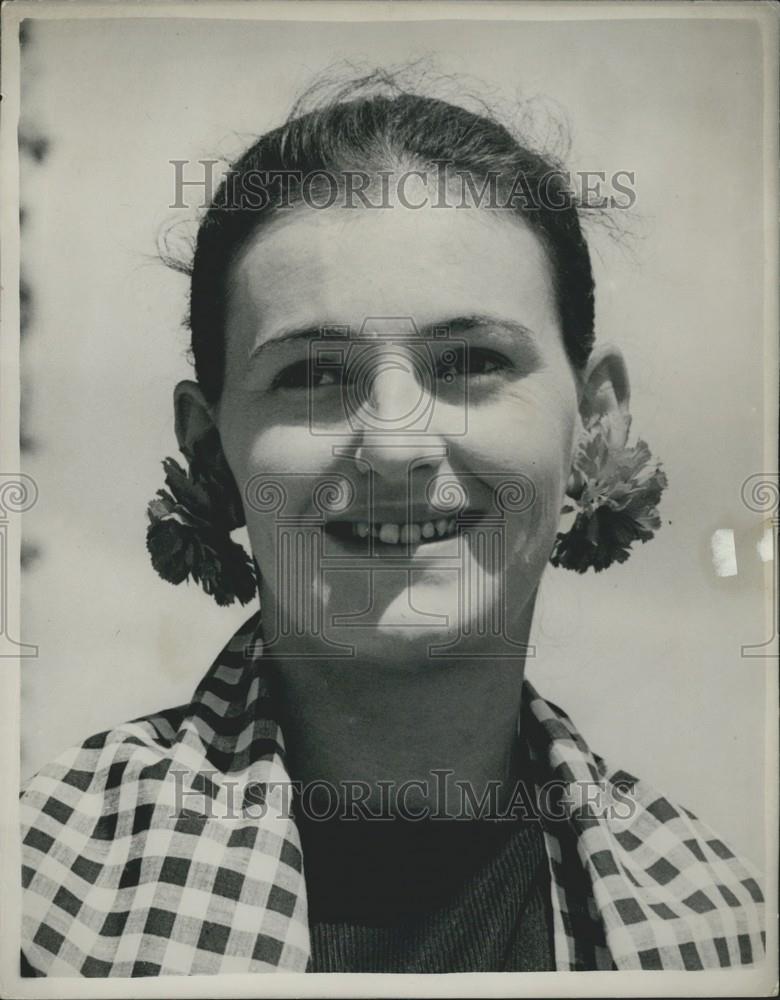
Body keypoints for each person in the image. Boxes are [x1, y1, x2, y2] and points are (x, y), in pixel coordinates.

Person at [20, 71, 764, 977]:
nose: (396, 444)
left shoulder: (722, 930)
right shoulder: (37, 886)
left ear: (595, 424)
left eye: (471, 360)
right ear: (213, 454)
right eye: (310, 375)